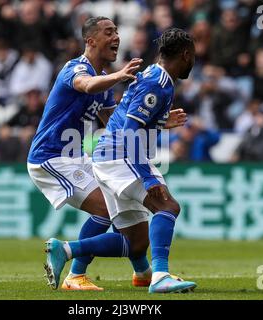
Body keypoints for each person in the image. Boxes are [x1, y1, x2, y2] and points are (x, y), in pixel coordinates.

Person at [44, 28, 197, 294]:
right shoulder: (158, 83)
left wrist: (161, 121)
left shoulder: (155, 76)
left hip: (110, 157)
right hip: (120, 156)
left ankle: (66, 250)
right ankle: (160, 276)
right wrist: (148, 177)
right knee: (167, 206)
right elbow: (129, 131)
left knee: (136, 242)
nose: (193, 62)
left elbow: (127, 118)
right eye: (192, 57)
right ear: (185, 55)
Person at [27, 16, 145, 291]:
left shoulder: (104, 80)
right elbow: (86, 85)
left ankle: (143, 271)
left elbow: (114, 123)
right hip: (51, 157)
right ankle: (74, 274)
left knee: (121, 201)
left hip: (75, 155)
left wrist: (157, 121)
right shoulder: (75, 69)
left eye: (117, 31)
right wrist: (120, 76)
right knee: (106, 208)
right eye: (108, 32)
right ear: (90, 41)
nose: (116, 36)